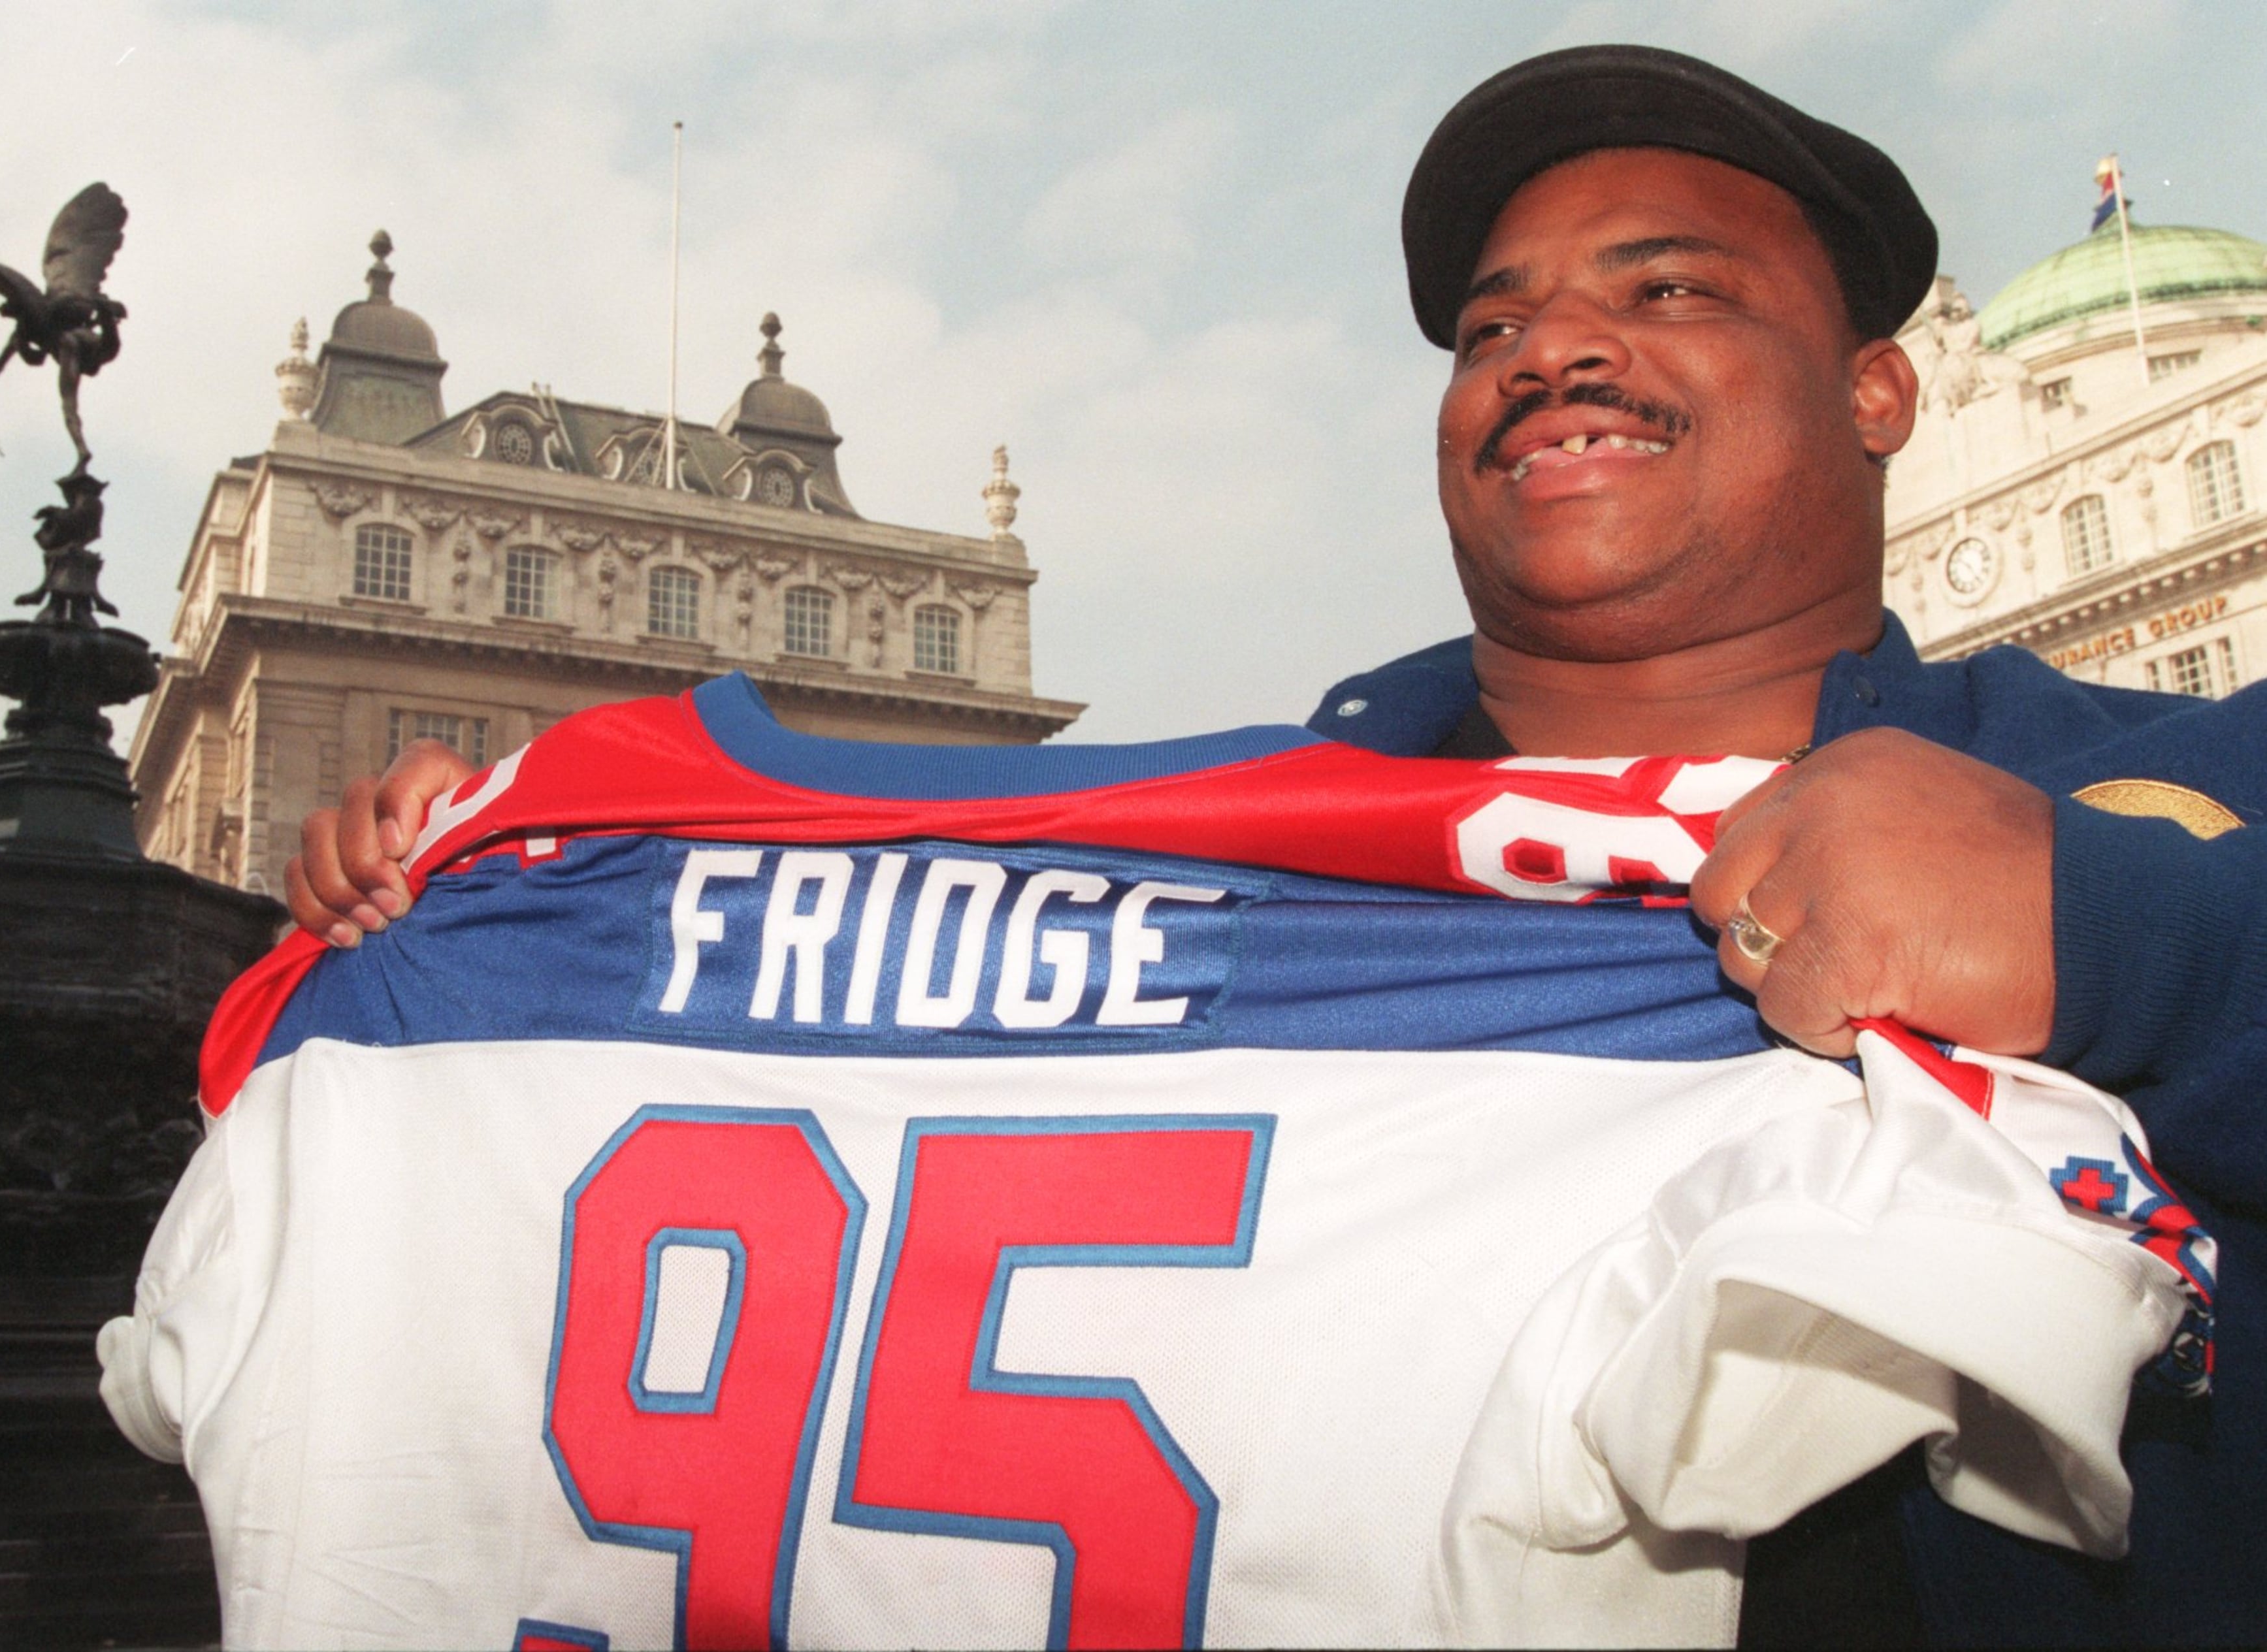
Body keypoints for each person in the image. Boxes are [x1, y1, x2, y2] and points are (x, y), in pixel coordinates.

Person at [282, 46, 2263, 1646]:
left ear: (1880, 388)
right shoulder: (1248, 861)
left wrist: (2126, 930)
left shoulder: (2173, 785)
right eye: (1493, 324)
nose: (1551, 347)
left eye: (1667, 289)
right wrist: (497, 891)